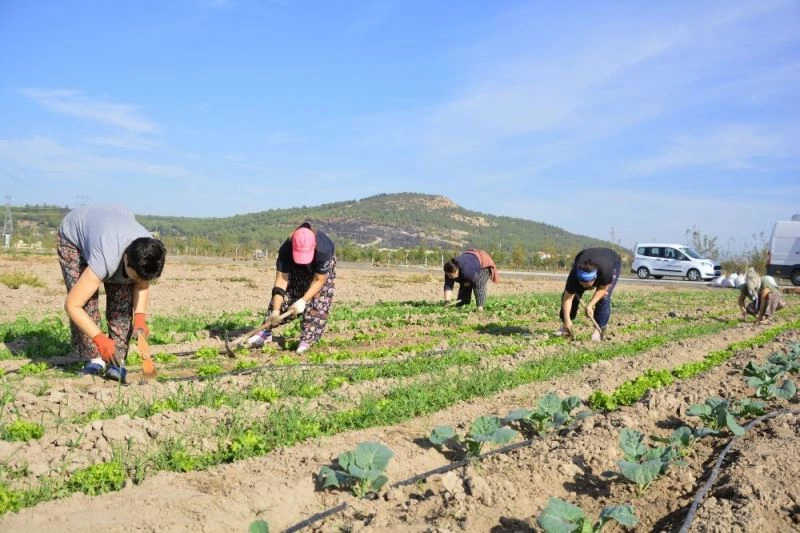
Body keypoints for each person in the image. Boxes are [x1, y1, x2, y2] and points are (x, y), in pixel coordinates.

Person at [57, 204, 166, 382]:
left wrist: (139, 317)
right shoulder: (106, 257)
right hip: (74, 237)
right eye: (135, 276)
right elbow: (72, 305)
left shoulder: (149, 248)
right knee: (86, 302)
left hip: (112, 226)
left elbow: (142, 284)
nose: (137, 282)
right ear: (125, 260)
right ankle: (94, 360)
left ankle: (117, 361)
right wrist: (99, 339)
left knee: (121, 303)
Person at [247, 222, 336, 354]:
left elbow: (319, 280)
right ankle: (265, 331)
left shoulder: (323, 250)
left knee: (319, 297)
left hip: (319, 272)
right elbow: (281, 281)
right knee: (286, 295)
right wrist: (276, 311)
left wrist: (303, 300)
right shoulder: (286, 250)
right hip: (295, 266)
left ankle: (308, 339)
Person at [557, 247, 621, 341]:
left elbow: (602, 289)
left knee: (604, 297)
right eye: (581, 283)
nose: (583, 286)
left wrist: (590, 305)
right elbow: (567, 297)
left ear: (595, 279)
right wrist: (566, 319)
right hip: (587, 255)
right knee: (574, 293)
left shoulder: (605, 271)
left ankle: (599, 329)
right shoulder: (574, 274)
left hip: (612, 260)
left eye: (586, 285)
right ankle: (566, 326)